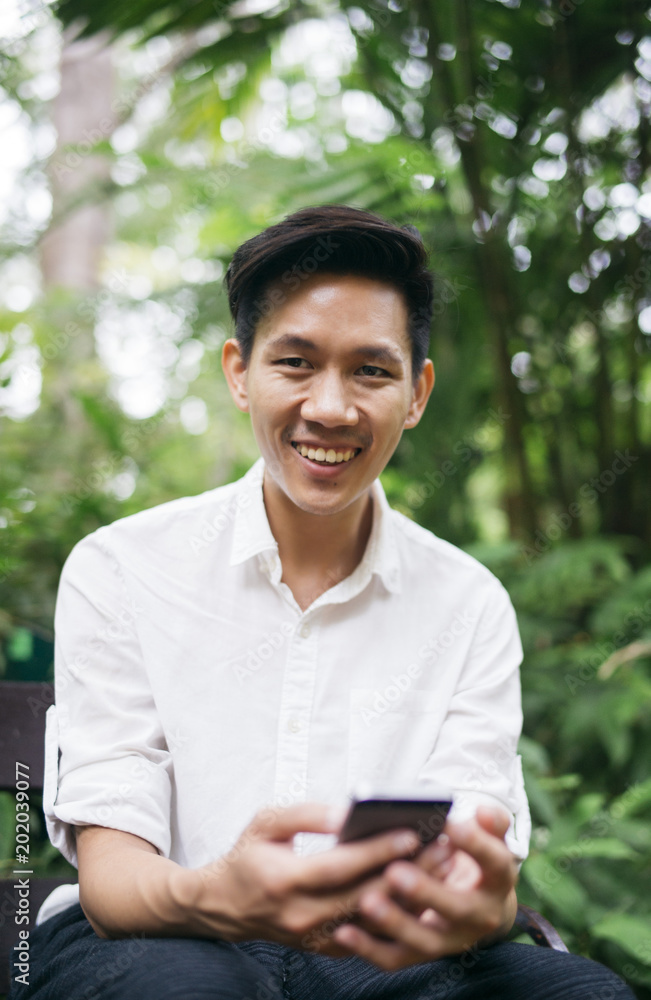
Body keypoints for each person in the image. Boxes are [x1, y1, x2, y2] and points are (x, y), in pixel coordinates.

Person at [11, 205, 634, 999]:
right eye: (295, 363)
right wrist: (218, 893)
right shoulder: (122, 569)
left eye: (371, 371)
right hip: (161, 936)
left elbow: (482, 871)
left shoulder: (468, 604)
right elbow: (113, 883)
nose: (331, 409)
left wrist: (481, 904)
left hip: (379, 954)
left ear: (416, 392)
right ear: (240, 373)